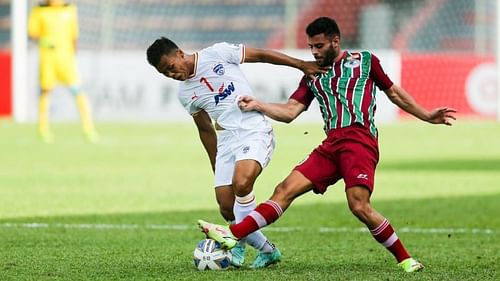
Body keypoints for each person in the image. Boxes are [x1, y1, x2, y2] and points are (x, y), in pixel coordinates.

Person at [198, 17, 456, 273]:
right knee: (284, 189)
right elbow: (290, 112)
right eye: (311, 46)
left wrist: (427, 115)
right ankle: (232, 234)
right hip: (331, 145)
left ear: (335, 41)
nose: (314, 52)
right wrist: (259, 104)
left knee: (359, 206)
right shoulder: (312, 74)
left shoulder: (365, 61)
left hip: (359, 141)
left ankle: (405, 259)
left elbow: (394, 92)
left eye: (319, 46)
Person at [146, 37, 325, 268]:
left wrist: (301, 64)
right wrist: (215, 163)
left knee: (241, 182)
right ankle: (268, 250)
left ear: (180, 53)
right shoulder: (185, 94)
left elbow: (261, 54)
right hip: (227, 141)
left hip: (254, 131)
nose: (172, 74)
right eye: (165, 74)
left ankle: (236, 240)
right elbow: (205, 129)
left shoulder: (217, 53)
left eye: (171, 67)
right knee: (226, 205)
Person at [28, 0, 98, 143]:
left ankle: (88, 129)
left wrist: (73, 54)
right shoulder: (39, 10)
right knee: (46, 91)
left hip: (66, 60)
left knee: (77, 91)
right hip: (48, 59)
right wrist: (43, 40)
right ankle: (43, 130)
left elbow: (74, 35)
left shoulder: (70, 9)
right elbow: (32, 33)